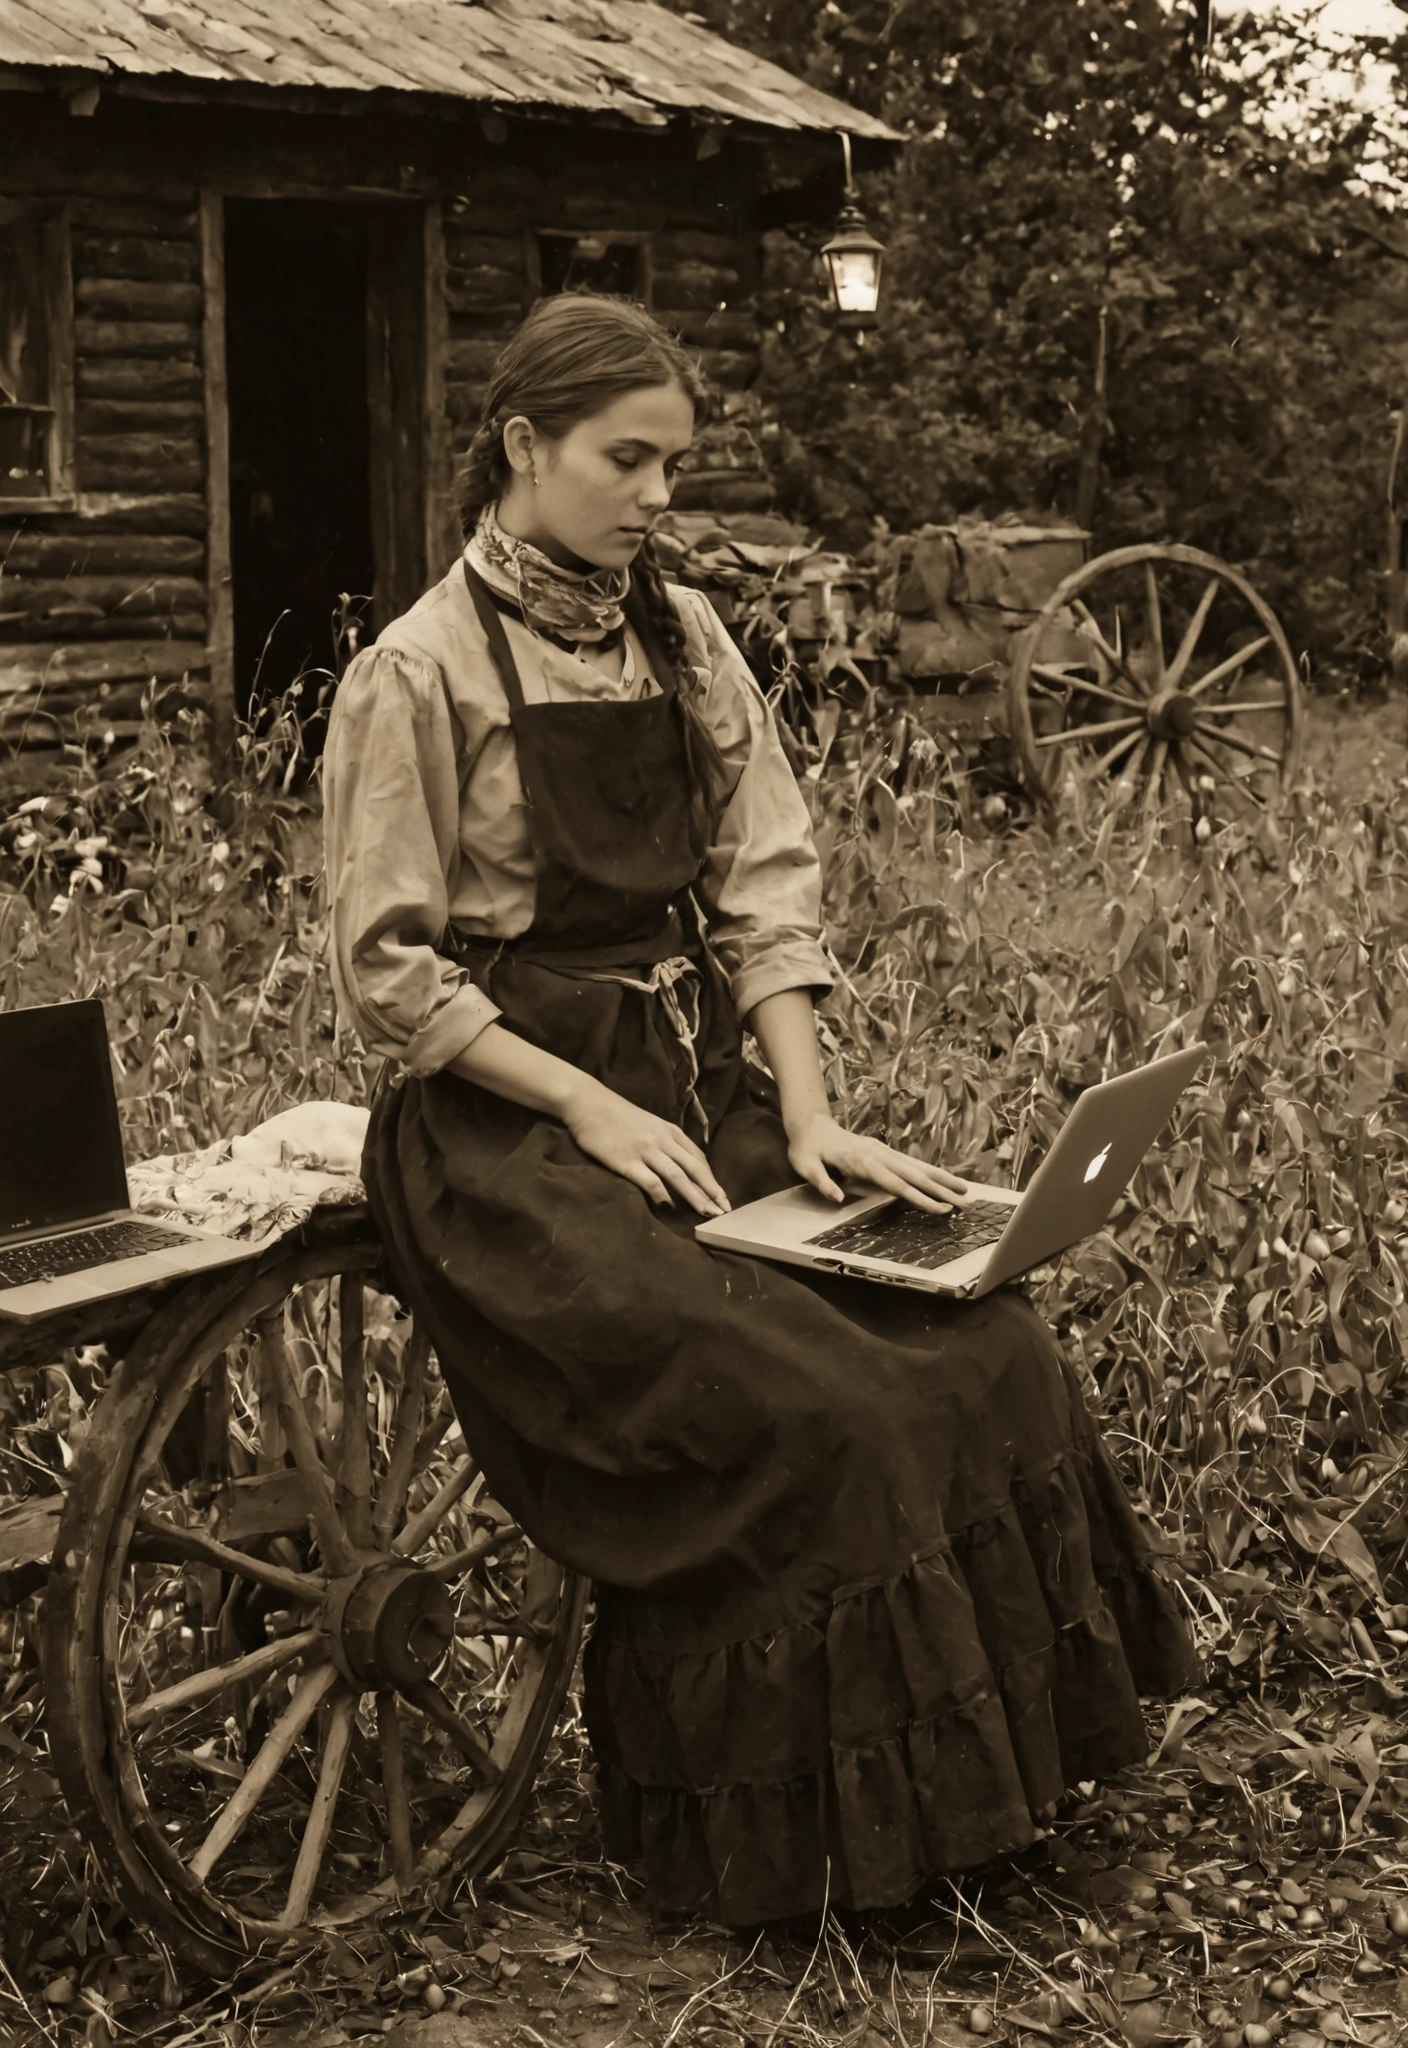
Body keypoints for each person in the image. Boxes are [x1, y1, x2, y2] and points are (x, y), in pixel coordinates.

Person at [323, 292, 1198, 1927]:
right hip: (511, 1136)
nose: (658, 496)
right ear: (521, 446)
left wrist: (807, 1115)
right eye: (626, 460)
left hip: (700, 1090)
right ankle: (797, 1851)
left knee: (990, 1347)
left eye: (673, 462)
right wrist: (583, 1105)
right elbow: (388, 972)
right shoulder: (416, 672)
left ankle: (974, 1803)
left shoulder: (679, 635)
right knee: (821, 1416)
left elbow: (760, 889)